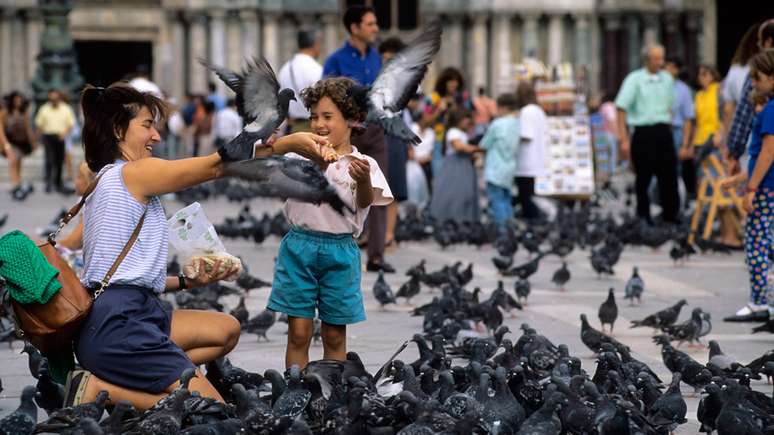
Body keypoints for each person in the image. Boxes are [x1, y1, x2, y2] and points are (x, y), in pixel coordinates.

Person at [67, 83, 332, 410]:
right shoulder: (135, 172)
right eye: (147, 126)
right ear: (118, 129)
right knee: (214, 413)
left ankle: (154, 376)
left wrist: (190, 282)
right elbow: (216, 165)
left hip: (125, 315)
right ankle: (98, 388)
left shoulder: (108, 179)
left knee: (227, 329)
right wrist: (283, 145)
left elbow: (125, 277)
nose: (157, 137)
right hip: (120, 326)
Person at [267, 77, 392, 369]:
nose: (319, 124)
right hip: (299, 246)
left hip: (340, 251)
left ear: (353, 120)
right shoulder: (298, 155)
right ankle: (295, 390)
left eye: (327, 117)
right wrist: (310, 158)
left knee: (334, 335)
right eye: (313, 117)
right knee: (298, 332)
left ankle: (331, 391)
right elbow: (273, 170)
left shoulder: (364, 164)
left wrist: (361, 181)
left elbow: (363, 204)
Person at [323, 5, 394, 272]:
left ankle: (376, 256)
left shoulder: (376, 58)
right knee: (338, 188)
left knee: (379, 190)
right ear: (354, 28)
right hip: (347, 133)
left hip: (374, 131)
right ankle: (334, 248)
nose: (376, 28)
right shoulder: (336, 60)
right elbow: (326, 97)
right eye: (371, 24)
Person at [615, 44, 679, 223]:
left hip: (663, 129)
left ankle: (670, 214)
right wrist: (624, 138)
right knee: (644, 176)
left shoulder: (667, 78)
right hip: (643, 131)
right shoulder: (635, 79)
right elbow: (621, 107)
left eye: (661, 58)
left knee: (669, 174)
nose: (660, 62)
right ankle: (643, 214)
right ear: (647, 60)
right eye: (656, 59)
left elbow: (670, 105)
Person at [736, 49, 774, 318]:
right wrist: (741, 177)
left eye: (757, 76)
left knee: (757, 244)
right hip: (767, 186)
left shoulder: (771, 109)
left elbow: (768, 152)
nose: (753, 81)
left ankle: (760, 301)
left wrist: (751, 189)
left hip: (765, 190)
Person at [726, 20, 774, 176]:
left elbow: (744, 113)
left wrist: (734, 152)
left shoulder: (761, 67)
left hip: (761, 151)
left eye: (760, 42)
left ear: (768, 41)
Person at [378, 36, 410, 250]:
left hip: (395, 136)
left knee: (393, 190)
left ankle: (389, 235)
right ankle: (373, 234)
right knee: (374, 187)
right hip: (375, 134)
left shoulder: (407, 80)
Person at [428, 107, 481, 223]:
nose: (469, 122)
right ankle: (452, 219)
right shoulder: (453, 132)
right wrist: (478, 149)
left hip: (464, 166)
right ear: (459, 119)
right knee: (454, 193)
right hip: (455, 167)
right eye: (466, 118)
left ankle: (463, 219)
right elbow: (458, 146)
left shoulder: (463, 133)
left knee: (465, 193)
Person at [479, 93, 520, 229]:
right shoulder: (517, 123)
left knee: (496, 201)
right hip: (510, 169)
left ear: (503, 108)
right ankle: (510, 229)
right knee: (506, 200)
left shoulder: (497, 124)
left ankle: (503, 231)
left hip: (495, 169)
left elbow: (484, 144)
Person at [425, 67, 472, 175]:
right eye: (450, 80)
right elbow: (425, 122)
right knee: (440, 173)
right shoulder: (433, 99)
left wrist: (457, 109)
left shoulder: (463, 99)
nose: (454, 83)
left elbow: (470, 120)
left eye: (456, 80)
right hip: (438, 141)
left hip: (458, 140)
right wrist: (439, 111)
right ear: (444, 82)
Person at [278, 28, 323, 133]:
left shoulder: (285, 69)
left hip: (293, 128)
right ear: (316, 44)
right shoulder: (316, 69)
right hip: (313, 127)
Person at [514, 81, 547, 220]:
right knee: (526, 195)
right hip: (536, 159)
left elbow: (525, 135)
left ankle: (536, 219)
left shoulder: (526, 112)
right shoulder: (539, 110)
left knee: (525, 197)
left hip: (526, 161)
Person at [664, 58, 695, 200]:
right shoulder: (655, 86)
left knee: (675, 169)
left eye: (672, 67)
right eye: (666, 67)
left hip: (675, 131)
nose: (668, 70)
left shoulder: (683, 90)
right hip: (658, 129)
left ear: (677, 70)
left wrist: (685, 144)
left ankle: (676, 204)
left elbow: (688, 119)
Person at [35, 89, 76, 194]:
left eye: (56, 98)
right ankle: (48, 183)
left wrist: (65, 133)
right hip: (48, 136)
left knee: (59, 160)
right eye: (52, 98)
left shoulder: (65, 108)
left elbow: (71, 124)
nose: (54, 100)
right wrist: (37, 139)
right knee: (49, 160)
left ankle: (58, 182)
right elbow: (39, 124)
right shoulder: (44, 108)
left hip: (60, 137)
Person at [722, 23, 760, 129]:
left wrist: (727, 138)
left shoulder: (735, 70)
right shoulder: (744, 70)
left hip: (743, 130)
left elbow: (728, 109)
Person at [2, 91, 36, 200]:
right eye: (16, 100)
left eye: (20, 100)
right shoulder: (5, 112)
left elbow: (28, 128)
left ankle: (18, 183)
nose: (18, 102)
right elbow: (0, 129)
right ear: (12, 100)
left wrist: (32, 142)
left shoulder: (24, 112)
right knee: (13, 161)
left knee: (19, 162)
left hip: (22, 142)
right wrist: (5, 144)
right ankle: (15, 185)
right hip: (10, 141)